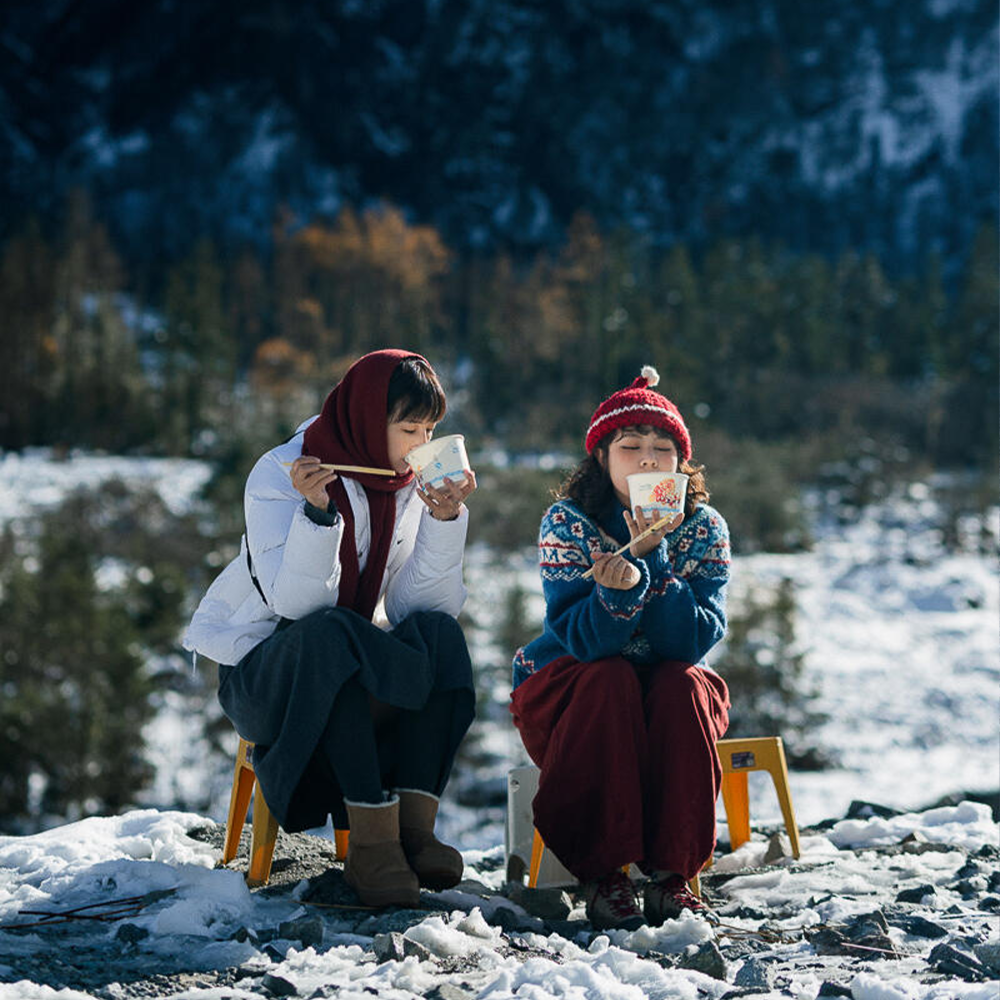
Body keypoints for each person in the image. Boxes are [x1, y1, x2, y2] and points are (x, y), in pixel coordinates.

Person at [184, 349, 477, 909]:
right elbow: (297, 606)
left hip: (342, 658)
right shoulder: (280, 473)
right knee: (330, 634)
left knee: (440, 637)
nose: (422, 445)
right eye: (409, 428)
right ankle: (369, 849)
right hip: (264, 678)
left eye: (431, 430)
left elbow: (420, 606)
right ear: (368, 418)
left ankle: (412, 834)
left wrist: (443, 521)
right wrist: (316, 514)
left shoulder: (403, 483)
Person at [510, 366, 731, 931]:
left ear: (683, 464)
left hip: (663, 687)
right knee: (608, 677)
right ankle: (603, 871)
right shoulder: (570, 523)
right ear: (602, 458)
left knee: (682, 684)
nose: (649, 461)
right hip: (573, 684)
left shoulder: (703, 527)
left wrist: (651, 563)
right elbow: (583, 642)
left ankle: (672, 874)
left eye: (663, 449)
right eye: (630, 447)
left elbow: (694, 640)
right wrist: (618, 593)